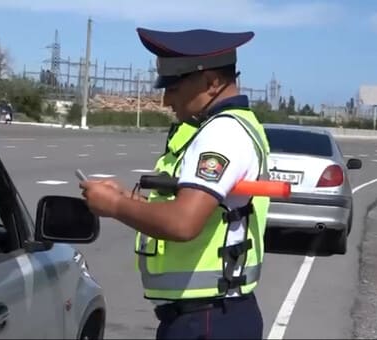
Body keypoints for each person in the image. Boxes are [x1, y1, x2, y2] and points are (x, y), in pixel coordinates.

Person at [80, 27, 271, 339]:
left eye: (174, 86)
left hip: (208, 321)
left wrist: (115, 205)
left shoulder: (222, 134)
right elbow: (206, 210)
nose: (166, 99)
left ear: (212, 83)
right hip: (206, 316)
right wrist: (132, 201)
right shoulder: (226, 128)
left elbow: (184, 222)